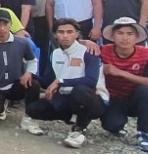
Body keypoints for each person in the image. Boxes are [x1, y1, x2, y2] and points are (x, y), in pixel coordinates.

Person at [26, 18, 106, 149]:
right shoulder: (55, 53)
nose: (65, 36)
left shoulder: (88, 51)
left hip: (92, 100)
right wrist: (30, 75)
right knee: (33, 109)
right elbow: (48, 81)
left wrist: (61, 81)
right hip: (65, 98)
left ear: (77, 34)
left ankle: (78, 129)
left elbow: (91, 81)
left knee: (80, 91)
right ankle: (70, 116)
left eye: (69, 32)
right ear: (55, 35)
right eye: (61, 32)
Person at [0, 10, 43, 134]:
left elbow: (32, 60)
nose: (2, 28)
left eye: (5, 24)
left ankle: (30, 117)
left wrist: (29, 73)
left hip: (16, 84)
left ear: (11, 24)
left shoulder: (22, 42)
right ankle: (1, 105)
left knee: (34, 84)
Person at [100, 17, 148, 153]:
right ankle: (118, 125)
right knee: (112, 126)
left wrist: (120, 73)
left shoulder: (147, 53)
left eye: (129, 34)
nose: (125, 38)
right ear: (113, 36)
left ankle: (144, 134)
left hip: (136, 98)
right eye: (120, 33)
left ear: (137, 37)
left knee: (146, 91)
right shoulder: (103, 51)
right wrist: (86, 42)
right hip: (113, 98)